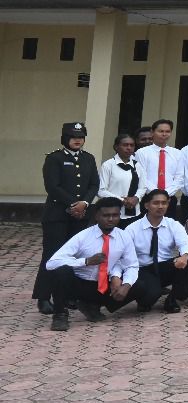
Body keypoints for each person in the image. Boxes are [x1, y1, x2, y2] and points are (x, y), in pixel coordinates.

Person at [44, 197, 143, 331]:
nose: (110, 219)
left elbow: (131, 265)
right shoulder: (83, 236)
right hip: (79, 284)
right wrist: (86, 261)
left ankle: (92, 306)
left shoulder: (124, 237)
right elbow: (51, 263)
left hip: (103, 285)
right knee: (61, 271)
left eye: (115, 215)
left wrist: (125, 284)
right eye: (106, 215)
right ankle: (60, 314)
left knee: (141, 284)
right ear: (96, 216)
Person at [34, 121, 99, 316]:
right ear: (65, 138)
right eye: (73, 137)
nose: (78, 140)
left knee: (75, 255)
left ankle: (69, 295)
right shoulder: (55, 158)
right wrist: (73, 204)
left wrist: (84, 204)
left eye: (80, 137)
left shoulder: (89, 158)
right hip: (57, 215)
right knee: (52, 255)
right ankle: (44, 297)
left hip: (80, 216)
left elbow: (94, 184)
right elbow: (53, 187)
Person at [126, 188, 188, 313]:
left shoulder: (173, 224)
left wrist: (184, 256)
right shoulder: (132, 229)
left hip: (165, 266)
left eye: (164, 203)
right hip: (143, 269)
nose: (160, 206)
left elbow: (186, 244)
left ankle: (172, 299)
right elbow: (124, 255)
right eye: (156, 203)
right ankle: (146, 298)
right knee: (149, 299)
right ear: (147, 205)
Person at [135, 119, 186, 218]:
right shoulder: (142, 152)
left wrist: (166, 194)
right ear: (152, 132)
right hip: (147, 197)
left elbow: (180, 177)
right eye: (161, 131)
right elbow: (141, 176)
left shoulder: (177, 153)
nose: (164, 134)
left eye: (167, 131)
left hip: (169, 198)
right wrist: (156, 194)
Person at [97, 132, 146, 227]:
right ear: (116, 147)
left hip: (134, 212)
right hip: (113, 213)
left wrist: (136, 198)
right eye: (125, 145)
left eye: (132, 145)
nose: (129, 148)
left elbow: (143, 187)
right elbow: (101, 190)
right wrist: (121, 200)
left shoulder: (137, 165)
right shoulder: (109, 165)